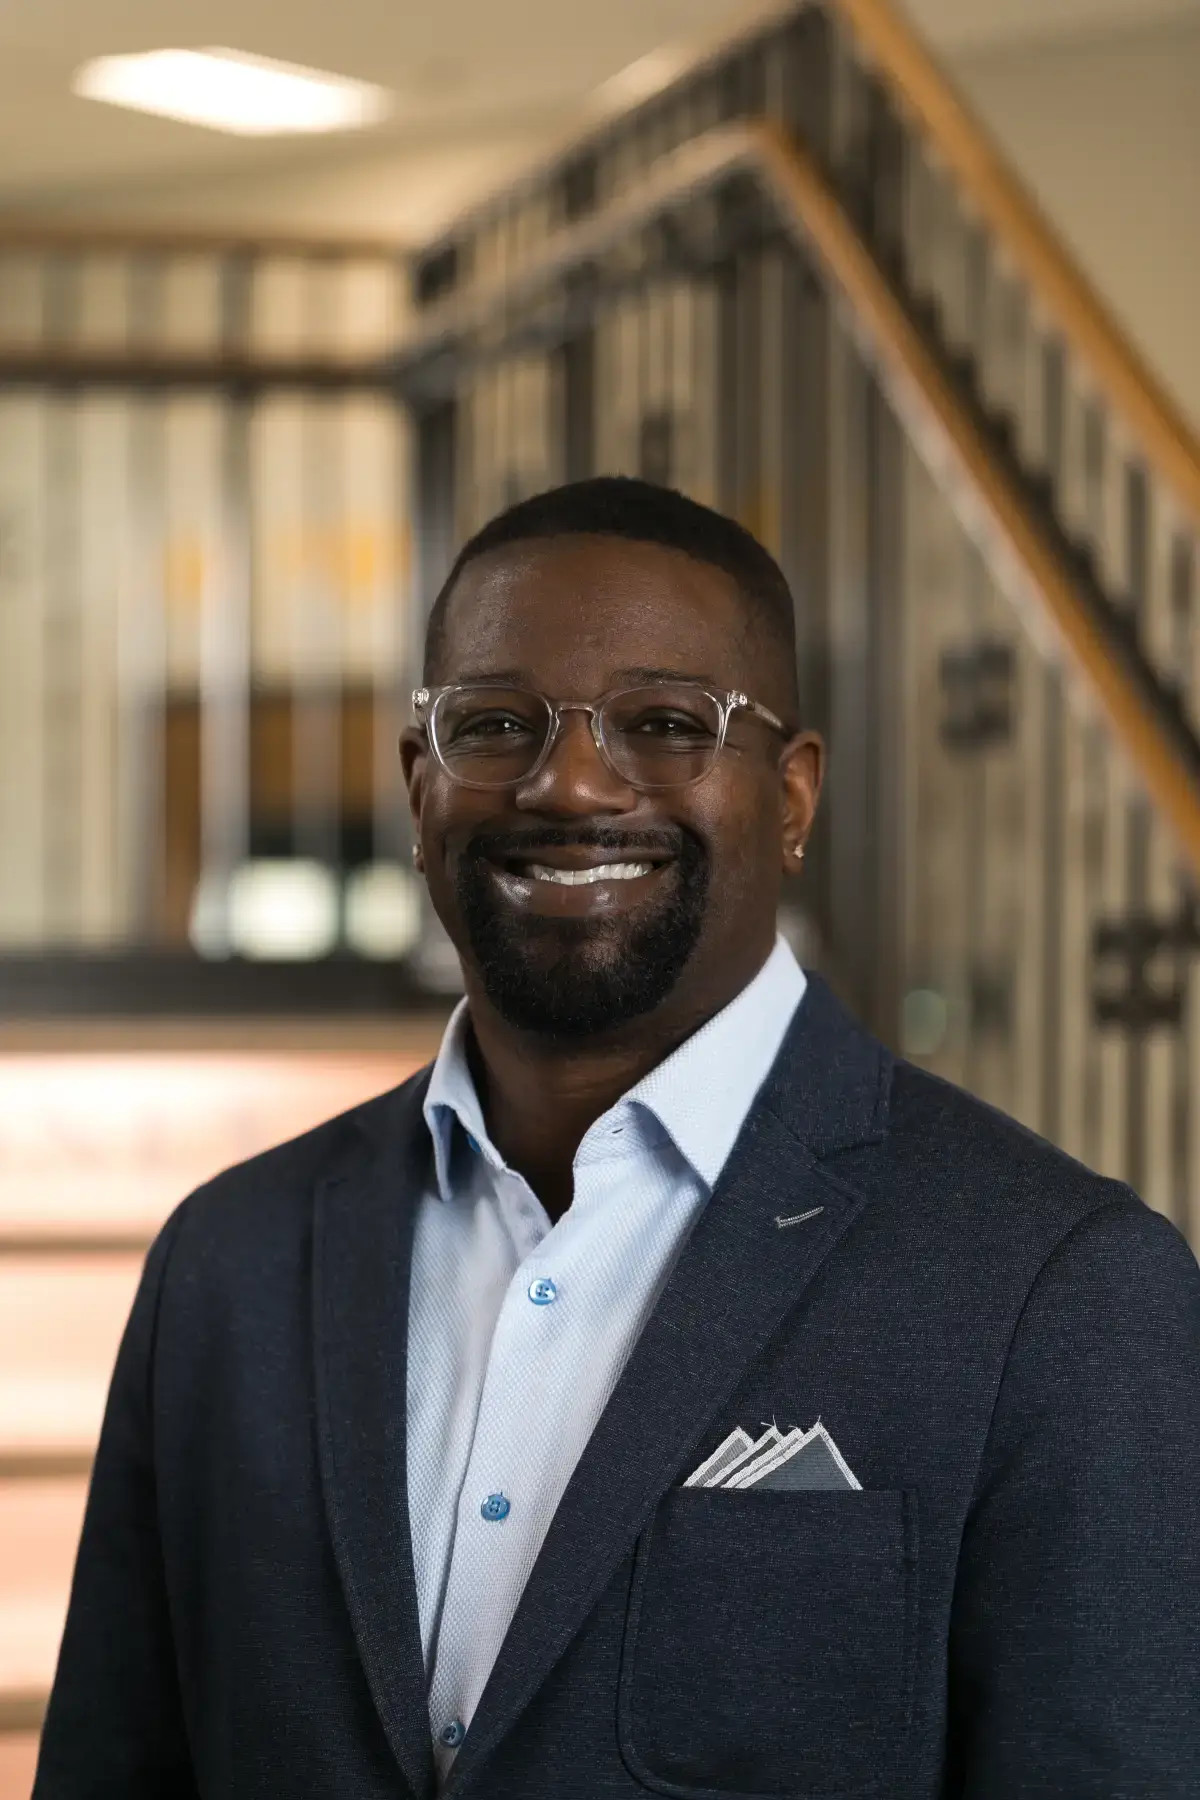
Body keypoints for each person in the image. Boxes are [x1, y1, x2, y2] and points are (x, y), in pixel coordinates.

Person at [35, 476, 1200, 1799]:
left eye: (664, 723)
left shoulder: (1061, 1291)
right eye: (494, 725)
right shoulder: (226, 1267)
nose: (572, 783)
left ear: (796, 795)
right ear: (420, 789)